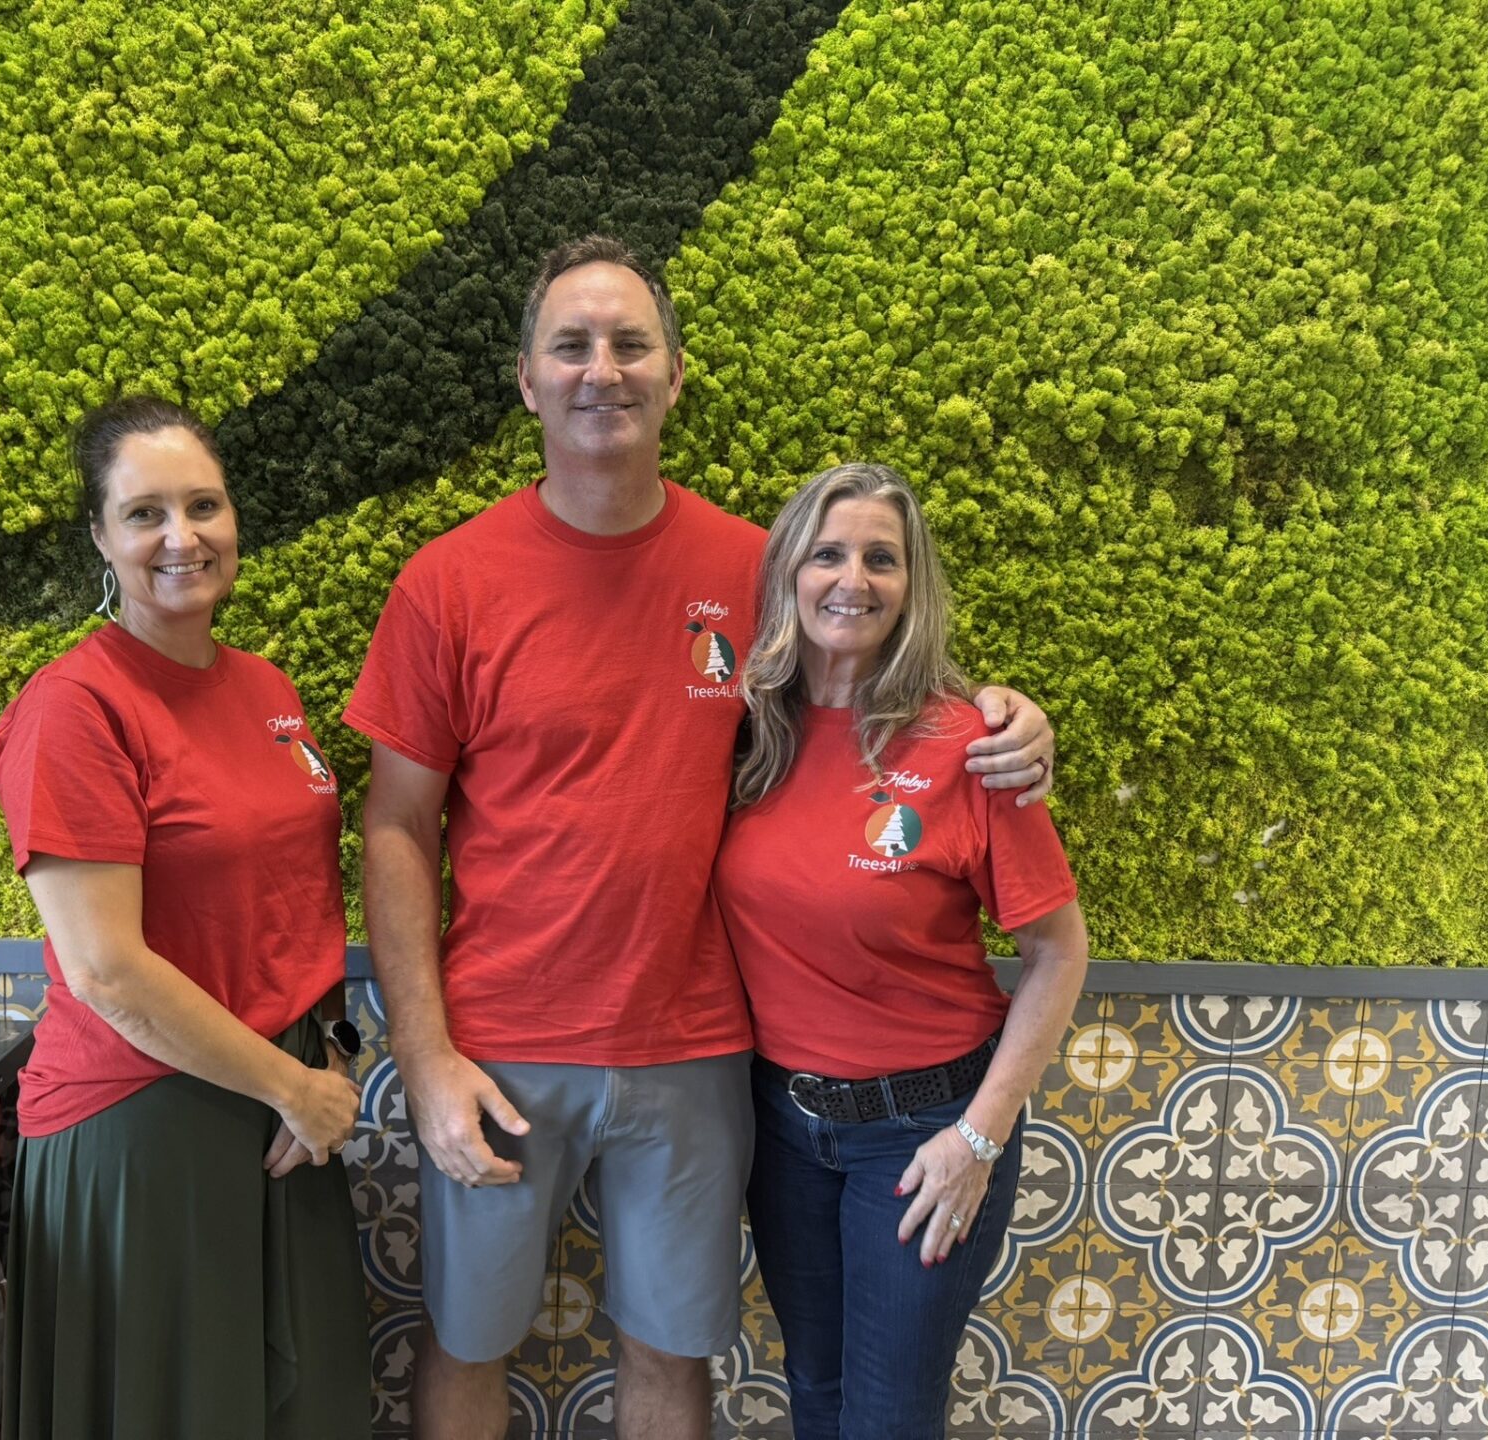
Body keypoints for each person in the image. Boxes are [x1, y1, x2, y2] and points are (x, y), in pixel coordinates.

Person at [344, 236, 1058, 1440]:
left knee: (671, 1355)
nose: (601, 370)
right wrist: (424, 1058)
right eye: (571, 345)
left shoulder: (756, 569)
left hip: (699, 1051)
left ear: (676, 374)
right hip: (501, 1045)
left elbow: (865, 680)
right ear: (527, 380)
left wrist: (1003, 717)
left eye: (631, 345)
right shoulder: (447, 583)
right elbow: (397, 826)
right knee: (466, 1342)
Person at [0, 395, 370, 1440]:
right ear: (101, 540)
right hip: (148, 1122)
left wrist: (329, 1058)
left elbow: (293, 904)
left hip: (287, 1113)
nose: (181, 537)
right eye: (145, 513)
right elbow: (108, 970)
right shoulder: (76, 708)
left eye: (203, 505)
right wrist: (294, 1087)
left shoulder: (264, 688)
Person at [714, 462, 1089, 1439]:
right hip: (785, 1128)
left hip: (924, 1134)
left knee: (887, 1417)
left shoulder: (970, 744)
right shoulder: (749, 735)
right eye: (829, 553)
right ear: (790, 572)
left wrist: (979, 1138)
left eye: (883, 559)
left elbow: (1056, 951)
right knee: (817, 1392)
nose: (854, 579)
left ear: (912, 585)